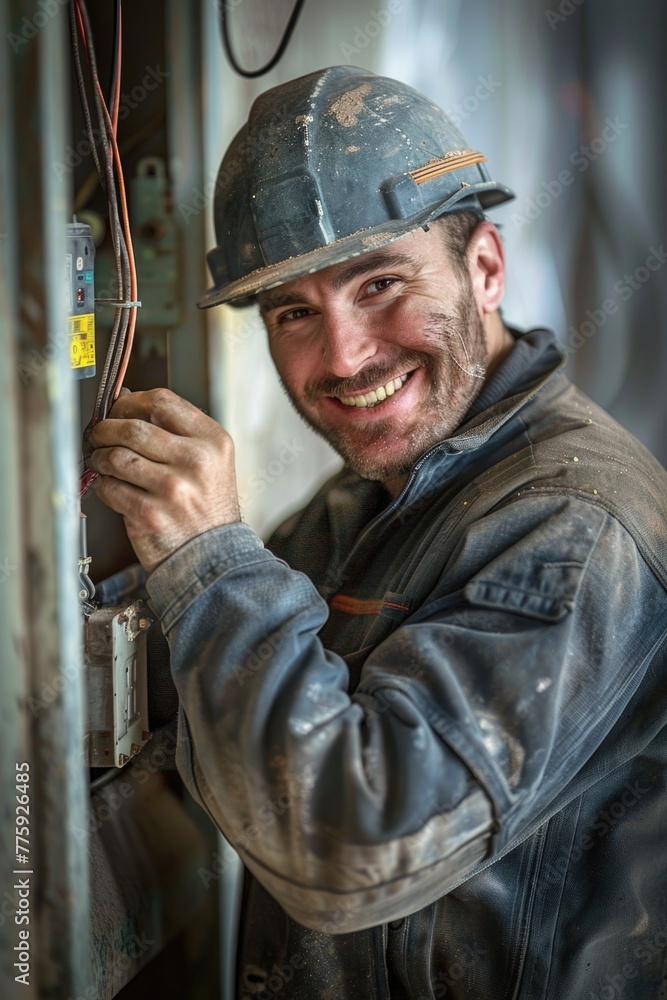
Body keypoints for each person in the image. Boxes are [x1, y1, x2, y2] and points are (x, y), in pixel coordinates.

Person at [88, 67, 667, 999]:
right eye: (294, 314)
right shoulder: (374, 502)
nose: (345, 356)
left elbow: (350, 846)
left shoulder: (574, 525)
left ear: (483, 267)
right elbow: (202, 696)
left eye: (381, 283)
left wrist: (205, 556)